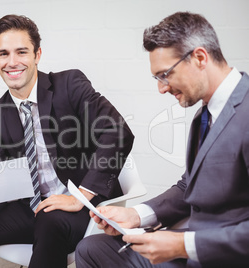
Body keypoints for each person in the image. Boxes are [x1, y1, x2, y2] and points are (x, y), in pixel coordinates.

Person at [0, 14, 134, 268]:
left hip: (81, 209)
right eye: (3, 54)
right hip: (30, 208)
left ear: (37, 54)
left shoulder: (69, 84)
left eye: (21, 52)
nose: (12, 62)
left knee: (49, 218)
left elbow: (118, 131)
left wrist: (80, 196)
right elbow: (1, 175)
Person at [75, 11, 249, 268]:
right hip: (190, 244)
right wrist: (136, 215)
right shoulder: (204, 115)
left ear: (200, 58)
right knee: (92, 248)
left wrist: (181, 245)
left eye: (165, 74)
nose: (162, 88)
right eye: (157, 78)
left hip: (223, 254)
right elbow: (187, 187)